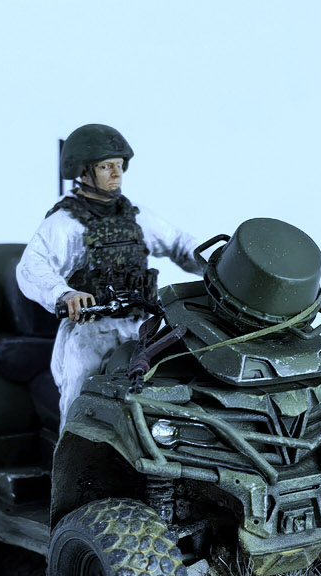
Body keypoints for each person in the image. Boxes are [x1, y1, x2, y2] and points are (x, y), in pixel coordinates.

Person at [16, 123, 205, 423]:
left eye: (119, 165)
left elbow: (180, 244)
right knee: (81, 403)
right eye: (106, 166)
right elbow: (31, 267)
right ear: (83, 172)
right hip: (92, 333)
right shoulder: (65, 223)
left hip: (142, 327)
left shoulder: (135, 217)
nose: (116, 173)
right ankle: (70, 450)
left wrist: (216, 262)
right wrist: (65, 294)